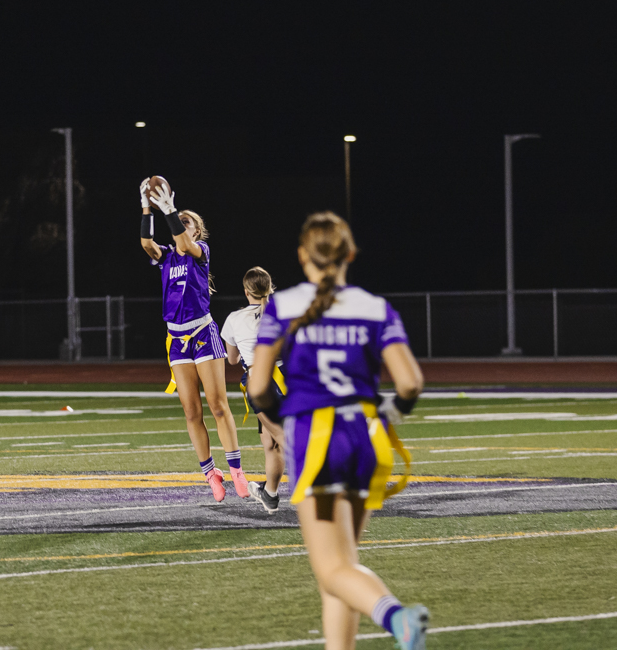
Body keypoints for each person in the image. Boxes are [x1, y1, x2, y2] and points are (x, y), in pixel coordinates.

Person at [248, 212, 428, 650]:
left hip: (317, 438)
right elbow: (410, 383)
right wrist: (385, 414)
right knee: (343, 567)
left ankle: (397, 617)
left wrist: (285, 421)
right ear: (349, 254)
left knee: (331, 569)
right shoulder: (374, 306)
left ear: (301, 256)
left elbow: (257, 385)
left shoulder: (285, 305)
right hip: (365, 438)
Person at [140, 178, 249, 502]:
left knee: (217, 404)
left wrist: (171, 209)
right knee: (191, 412)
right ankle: (210, 472)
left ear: (196, 231)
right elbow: (147, 243)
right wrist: (147, 207)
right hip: (176, 338)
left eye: (186, 223)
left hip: (202, 332)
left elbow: (185, 243)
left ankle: (236, 470)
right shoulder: (167, 257)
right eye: (177, 221)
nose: (178, 226)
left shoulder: (199, 252)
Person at [221, 266, 287, 514]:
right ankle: (269, 494)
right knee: (270, 442)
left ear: (247, 290)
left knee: (283, 439)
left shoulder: (235, 319)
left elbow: (232, 360)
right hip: (288, 377)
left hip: (261, 380)